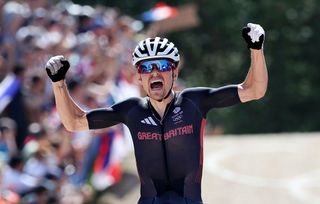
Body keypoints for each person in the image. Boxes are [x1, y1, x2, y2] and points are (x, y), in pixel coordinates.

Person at [45, 23, 268, 204]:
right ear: (138, 77)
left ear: (174, 71)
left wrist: (256, 49)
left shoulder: (195, 102)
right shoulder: (131, 110)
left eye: (161, 65)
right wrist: (58, 83)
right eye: (145, 68)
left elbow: (254, 90)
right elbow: (74, 122)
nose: (153, 73)